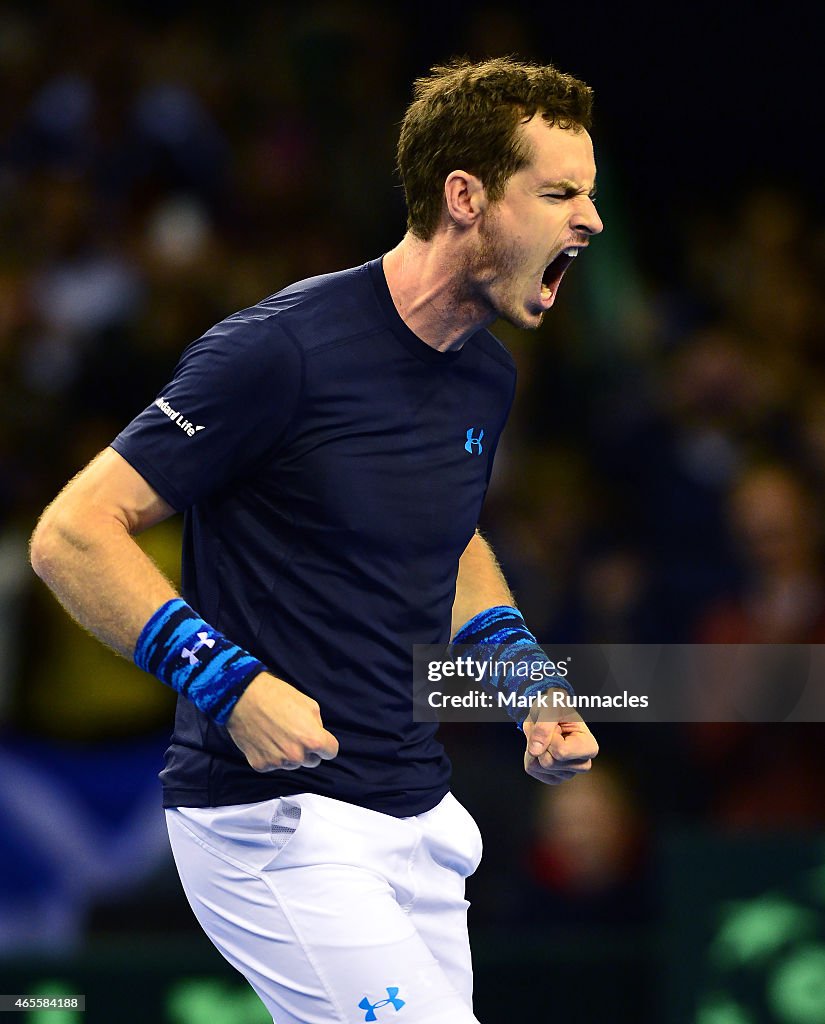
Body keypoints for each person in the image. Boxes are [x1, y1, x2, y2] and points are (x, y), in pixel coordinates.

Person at [30, 57, 601, 1024]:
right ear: (464, 197)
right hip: (273, 827)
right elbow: (72, 532)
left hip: (418, 819)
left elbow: (444, 539)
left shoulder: (485, 378)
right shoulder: (279, 352)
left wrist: (526, 685)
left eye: (589, 194)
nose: (586, 219)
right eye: (557, 193)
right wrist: (226, 683)